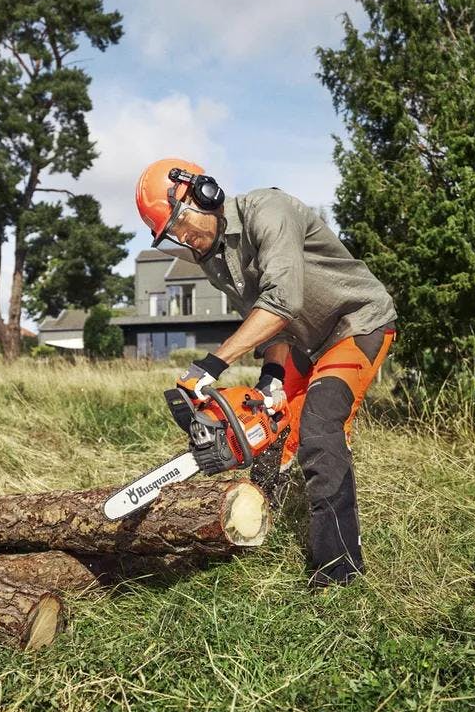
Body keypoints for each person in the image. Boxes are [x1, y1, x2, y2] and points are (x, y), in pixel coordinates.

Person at [135, 158, 397, 588]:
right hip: (301, 339)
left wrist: (211, 366)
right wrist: (271, 374)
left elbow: (282, 301)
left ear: (204, 193)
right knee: (272, 429)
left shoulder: (268, 212)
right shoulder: (212, 258)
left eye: (181, 223)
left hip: (356, 323)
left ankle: (339, 569)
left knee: (318, 427)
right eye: (173, 235)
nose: (184, 238)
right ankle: (257, 527)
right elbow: (265, 315)